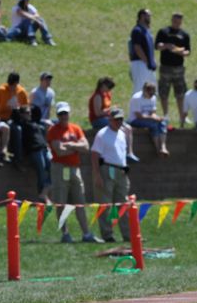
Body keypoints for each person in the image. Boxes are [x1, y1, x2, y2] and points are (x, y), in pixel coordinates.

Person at [47, 101, 100, 243]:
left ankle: (86, 233)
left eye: (66, 113)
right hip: (59, 169)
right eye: (61, 114)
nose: (64, 116)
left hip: (75, 169)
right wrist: (77, 147)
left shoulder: (75, 128)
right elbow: (59, 151)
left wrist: (70, 145)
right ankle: (65, 234)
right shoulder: (53, 130)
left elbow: (86, 147)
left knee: (80, 202)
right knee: (61, 203)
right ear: (58, 115)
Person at [91, 107, 132, 242]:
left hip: (121, 171)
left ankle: (128, 234)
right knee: (105, 204)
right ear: (110, 119)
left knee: (123, 204)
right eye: (116, 119)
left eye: (121, 119)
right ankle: (107, 234)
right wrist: (97, 174)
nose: (119, 122)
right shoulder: (102, 134)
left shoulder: (122, 133)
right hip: (107, 170)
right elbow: (95, 154)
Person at [88, 76, 139, 162]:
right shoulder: (97, 96)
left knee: (128, 128)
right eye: (109, 87)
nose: (109, 89)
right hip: (98, 120)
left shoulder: (107, 94)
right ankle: (121, 152)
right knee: (121, 129)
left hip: (109, 118)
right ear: (103, 85)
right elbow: (98, 113)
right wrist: (110, 110)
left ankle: (130, 153)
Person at [155, 12, 190, 126]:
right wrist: (166, 46)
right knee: (164, 93)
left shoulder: (184, 34)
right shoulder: (163, 32)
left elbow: (187, 51)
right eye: (175, 21)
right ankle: (166, 116)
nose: (176, 23)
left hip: (179, 68)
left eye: (179, 22)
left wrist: (181, 52)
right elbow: (157, 46)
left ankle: (182, 118)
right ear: (171, 20)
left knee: (180, 94)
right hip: (165, 67)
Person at [0, 71, 29, 165]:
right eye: (10, 84)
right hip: (2, 118)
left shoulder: (21, 92)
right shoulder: (0, 91)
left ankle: (24, 156)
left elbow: (26, 107)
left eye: (14, 85)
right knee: (17, 130)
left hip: (16, 118)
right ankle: (17, 158)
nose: (12, 87)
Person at [18, 104, 52, 203]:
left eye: (30, 112)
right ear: (21, 114)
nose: (29, 114)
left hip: (44, 148)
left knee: (53, 167)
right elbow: (14, 117)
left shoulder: (35, 123)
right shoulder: (21, 125)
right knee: (41, 172)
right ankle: (43, 198)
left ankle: (44, 192)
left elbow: (37, 111)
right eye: (27, 113)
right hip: (35, 150)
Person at [129, 81, 170, 157]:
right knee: (153, 125)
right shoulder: (136, 98)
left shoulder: (153, 98)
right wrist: (153, 118)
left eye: (153, 94)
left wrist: (157, 117)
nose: (151, 96)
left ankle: (163, 147)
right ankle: (158, 149)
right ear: (144, 90)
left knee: (163, 123)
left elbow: (153, 112)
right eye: (150, 94)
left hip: (148, 119)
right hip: (135, 120)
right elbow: (138, 116)